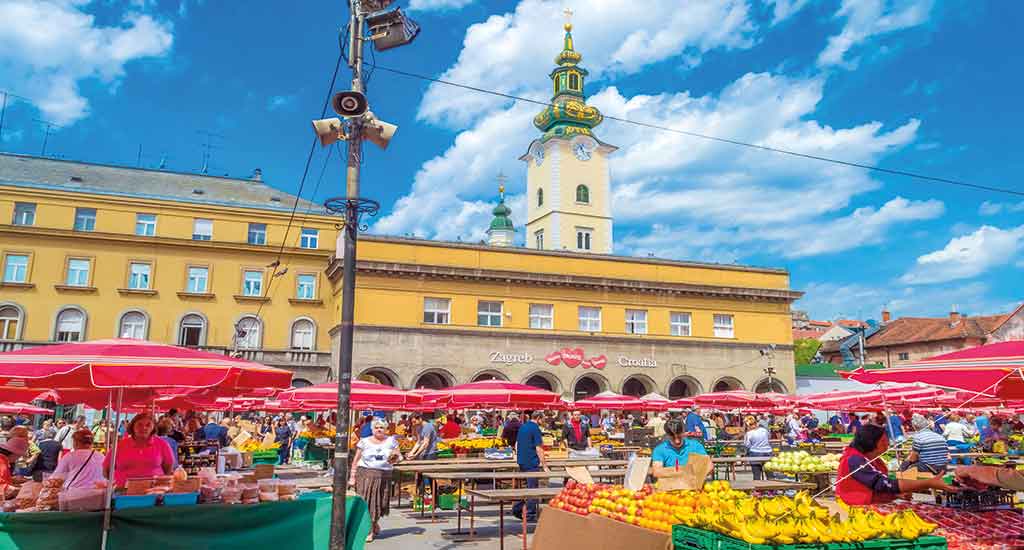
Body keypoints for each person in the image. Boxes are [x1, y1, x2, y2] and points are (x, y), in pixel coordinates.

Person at [835, 424, 955, 505]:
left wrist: (896, 495)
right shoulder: (855, 460)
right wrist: (928, 483)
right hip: (855, 507)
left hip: (867, 504)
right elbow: (882, 484)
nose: (887, 444)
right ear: (873, 442)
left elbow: (883, 484)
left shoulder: (870, 458)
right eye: (884, 441)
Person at [348, 418, 401, 543]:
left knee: (379, 503)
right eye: (376, 427)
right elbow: (356, 460)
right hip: (365, 475)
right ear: (372, 429)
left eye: (381, 427)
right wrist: (352, 477)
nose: (379, 429)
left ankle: (374, 523)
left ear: (386, 429)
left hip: (384, 476)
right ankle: (369, 530)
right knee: (367, 502)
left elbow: (398, 456)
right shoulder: (364, 441)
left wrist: (396, 457)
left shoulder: (391, 441)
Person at [104, 413, 174, 488]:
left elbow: (168, 468)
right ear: (132, 426)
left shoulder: (162, 444)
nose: (144, 428)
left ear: (153, 428)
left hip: (153, 491)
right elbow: (106, 469)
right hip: (123, 491)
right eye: (139, 425)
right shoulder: (120, 445)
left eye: (148, 425)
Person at [512, 411, 547, 521]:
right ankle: (528, 513)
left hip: (522, 460)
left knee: (528, 487)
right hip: (531, 461)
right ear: (538, 418)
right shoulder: (535, 429)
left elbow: (516, 444)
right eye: (543, 419)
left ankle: (519, 508)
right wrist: (545, 465)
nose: (544, 421)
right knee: (533, 489)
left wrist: (519, 455)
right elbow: (538, 448)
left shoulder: (523, 427)